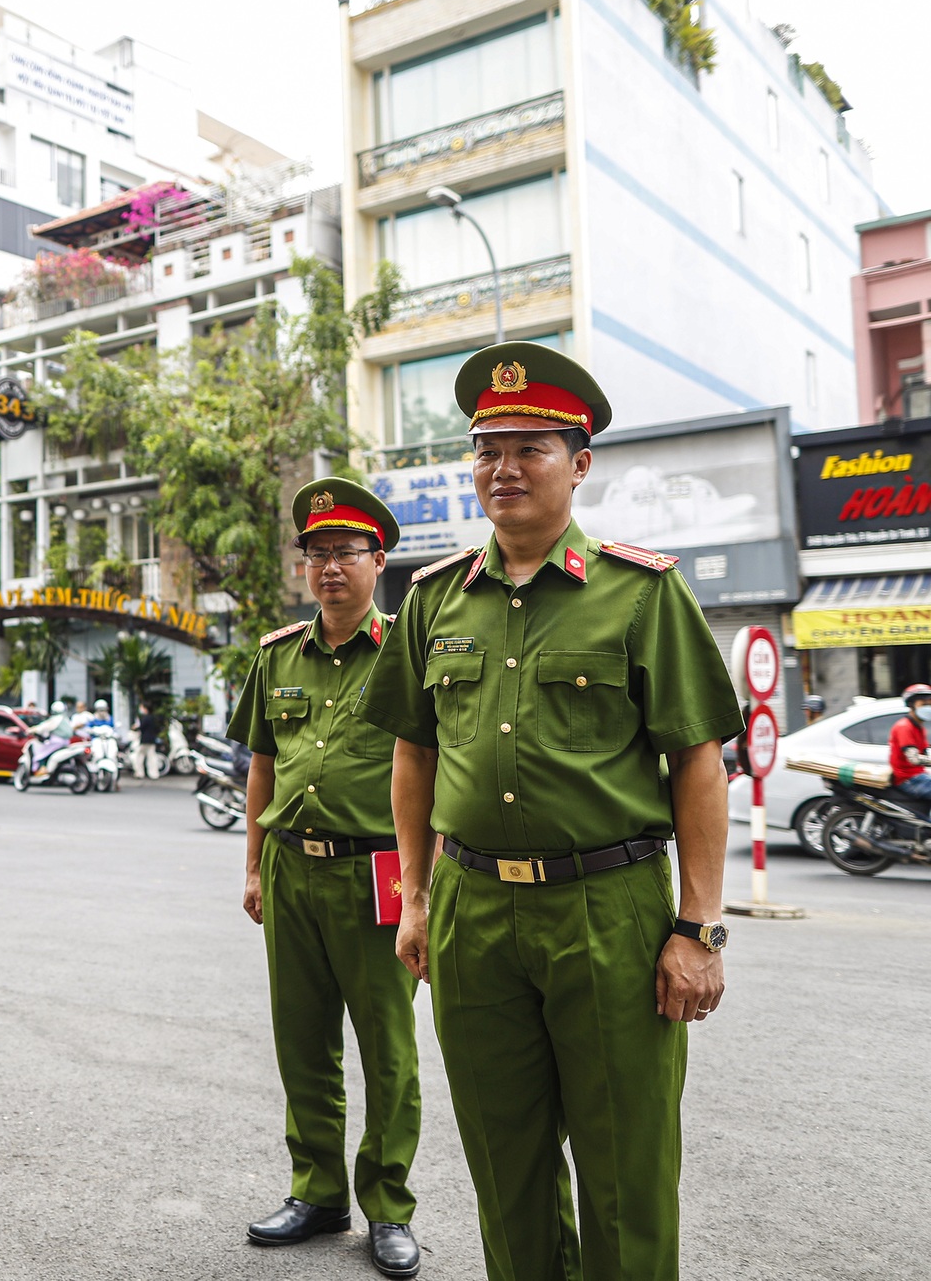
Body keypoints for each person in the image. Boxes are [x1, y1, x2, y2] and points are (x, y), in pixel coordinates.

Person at [355, 342, 740, 1281]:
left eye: (531, 447)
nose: (505, 468)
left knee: (625, 1167)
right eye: (488, 448)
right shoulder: (433, 599)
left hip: (608, 910)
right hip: (474, 911)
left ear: (580, 462)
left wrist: (699, 926)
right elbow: (413, 754)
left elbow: (698, 762)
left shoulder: (642, 591)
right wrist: (415, 898)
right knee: (504, 1161)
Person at [226, 480, 421, 1279]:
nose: (330, 566)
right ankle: (318, 1193)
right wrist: (250, 867)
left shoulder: (412, 652)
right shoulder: (277, 656)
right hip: (291, 869)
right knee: (303, 1044)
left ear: (379, 561)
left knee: (388, 1052)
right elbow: (261, 767)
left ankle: (388, 1207)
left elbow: (434, 772)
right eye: (317, 553)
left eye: (346, 552)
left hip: (377, 873)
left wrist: (423, 886)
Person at [889, 684, 931, 799]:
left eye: (930, 703)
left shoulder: (919, 727)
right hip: (908, 779)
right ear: (912, 705)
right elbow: (914, 759)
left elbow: (926, 752)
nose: (928, 707)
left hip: (918, 775)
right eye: (923, 703)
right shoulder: (904, 727)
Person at [136, 702, 162, 780]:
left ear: (145, 709)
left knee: (139, 756)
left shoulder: (145, 718)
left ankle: (140, 773)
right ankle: (154, 774)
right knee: (152, 757)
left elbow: (141, 728)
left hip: (144, 740)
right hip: (152, 740)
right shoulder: (153, 718)